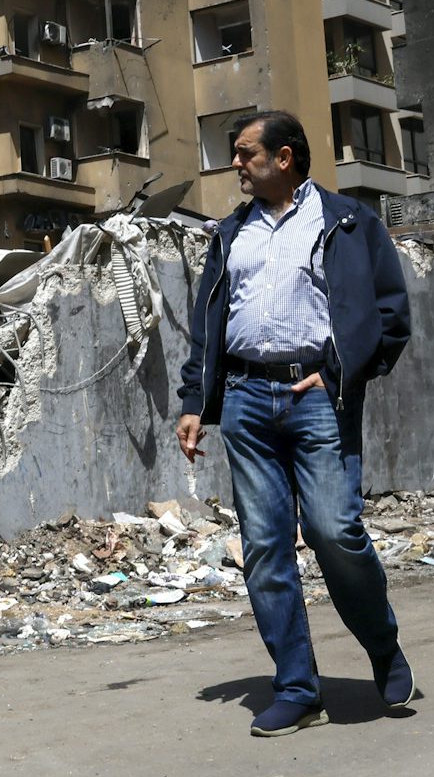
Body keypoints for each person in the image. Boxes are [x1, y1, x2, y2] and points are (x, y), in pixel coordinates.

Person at [174, 111, 416, 737]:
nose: (235, 163)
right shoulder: (230, 234)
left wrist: (339, 371)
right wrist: (196, 401)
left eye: (244, 152)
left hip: (319, 397)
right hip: (249, 400)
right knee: (264, 549)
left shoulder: (348, 222)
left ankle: (383, 647)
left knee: (335, 531)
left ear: (283, 157)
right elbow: (208, 324)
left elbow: (390, 317)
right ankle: (296, 687)